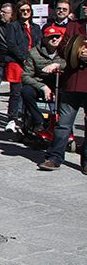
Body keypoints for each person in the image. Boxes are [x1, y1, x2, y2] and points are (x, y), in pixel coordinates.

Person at [38, 23, 83, 172]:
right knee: (63, 123)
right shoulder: (74, 27)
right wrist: (77, 52)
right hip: (73, 83)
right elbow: (62, 48)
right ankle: (54, 157)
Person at [24, 27, 64, 162]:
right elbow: (26, 76)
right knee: (26, 91)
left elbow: (69, 64)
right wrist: (42, 87)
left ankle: (62, 125)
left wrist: (57, 64)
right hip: (41, 82)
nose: (55, 39)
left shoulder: (63, 51)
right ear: (44, 39)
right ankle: (38, 120)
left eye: (58, 37)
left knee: (67, 95)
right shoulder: (34, 52)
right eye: (51, 37)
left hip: (60, 83)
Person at [4, 1, 37, 132]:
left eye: (27, 10)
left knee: (29, 91)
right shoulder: (13, 26)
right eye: (22, 10)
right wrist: (24, 59)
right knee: (16, 92)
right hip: (17, 62)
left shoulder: (35, 27)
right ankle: (12, 118)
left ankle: (27, 118)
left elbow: (38, 43)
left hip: (31, 62)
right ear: (18, 12)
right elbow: (11, 45)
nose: (25, 13)